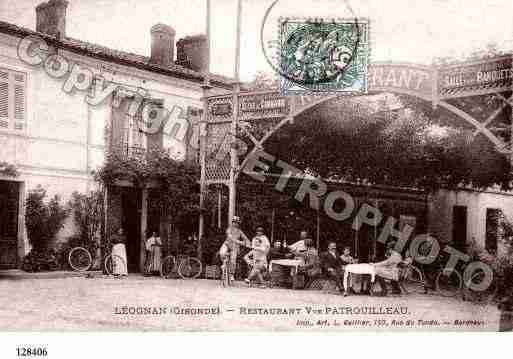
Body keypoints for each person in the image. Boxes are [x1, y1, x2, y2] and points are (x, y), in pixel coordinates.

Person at [219, 216, 250, 281]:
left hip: (234, 247)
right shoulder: (229, 229)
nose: (235, 224)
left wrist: (248, 243)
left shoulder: (240, 231)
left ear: (238, 224)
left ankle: (232, 274)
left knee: (233, 260)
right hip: (227, 244)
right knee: (221, 253)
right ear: (232, 222)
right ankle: (223, 263)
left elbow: (246, 239)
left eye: (237, 223)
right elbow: (229, 235)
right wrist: (239, 241)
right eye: (234, 222)